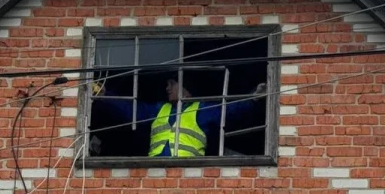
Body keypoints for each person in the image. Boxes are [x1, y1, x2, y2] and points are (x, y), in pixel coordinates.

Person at [92, 77, 266, 157]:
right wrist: (106, 95)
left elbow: (231, 109)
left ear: (185, 87)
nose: (167, 88)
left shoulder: (203, 109)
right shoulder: (159, 109)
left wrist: (253, 97)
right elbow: (129, 109)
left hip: (188, 175)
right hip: (154, 173)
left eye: (172, 83)